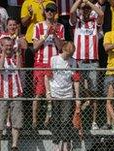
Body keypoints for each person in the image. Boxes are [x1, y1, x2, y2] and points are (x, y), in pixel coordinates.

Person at [70, 0, 104, 130]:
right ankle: (77, 121)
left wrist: (88, 3)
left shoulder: (95, 23)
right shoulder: (76, 22)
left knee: (93, 93)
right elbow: (72, 11)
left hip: (93, 61)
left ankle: (94, 122)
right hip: (78, 61)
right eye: (82, 9)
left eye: (87, 9)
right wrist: (80, 2)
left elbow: (101, 14)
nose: (85, 10)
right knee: (78, 92)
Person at [32, 2, 65, 130]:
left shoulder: (60, 27)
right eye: (48, 10)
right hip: (40, 63)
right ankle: (34, 121)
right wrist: (46, 35)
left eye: (52, 10)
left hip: (54, 64)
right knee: (38, 94)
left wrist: (54, 34)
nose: (50, 12)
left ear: (55, 12)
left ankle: (48, 119)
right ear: (44, 12)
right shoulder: (38, 26)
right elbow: (34, 47)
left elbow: (61, 47)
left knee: (52, 94)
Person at [45, 41, 81, 151]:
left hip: (67, 94)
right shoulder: (54, 60)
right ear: (64, 50)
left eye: (71, 54)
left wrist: (77, 97)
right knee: (56, 120)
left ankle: (65, 144)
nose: (69, 56)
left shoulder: (73, 61)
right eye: (68, 53)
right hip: (55, 93)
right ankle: (56, 145)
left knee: (65, 120)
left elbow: (76, 80)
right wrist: (48, 92)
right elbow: (47, 76)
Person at [0, 36, 23, 151]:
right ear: (2, 46)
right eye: (6, 45)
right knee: (0, 120)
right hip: (2, 93)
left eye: (10, 45)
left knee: (17, 120)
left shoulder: (15, 58)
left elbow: (19, 69)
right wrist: (4, 53)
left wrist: (19, 54)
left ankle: (14, 145)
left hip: (16, 92)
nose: (9, 48)